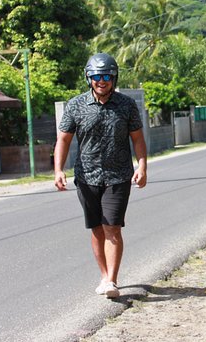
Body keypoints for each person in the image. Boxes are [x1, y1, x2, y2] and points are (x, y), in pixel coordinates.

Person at [54, 52, 147, 299]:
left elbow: (137, 139)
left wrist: (142, 166)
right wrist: (58, 169)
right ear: (89, 78)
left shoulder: (127, 105)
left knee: (112, 228)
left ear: (114, 78)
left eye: (106, 76)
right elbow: (63, 140)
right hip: (86, 177)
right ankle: (104, 275)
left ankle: (112, 281)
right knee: (96, 229)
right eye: (96, 76)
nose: (101, 81)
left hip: (118, 176)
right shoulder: (76, 105)